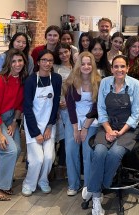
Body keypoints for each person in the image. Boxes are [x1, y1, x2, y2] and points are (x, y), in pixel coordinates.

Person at [83, 55, 139, 215]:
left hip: (128, 128)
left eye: (122, 66)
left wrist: (120, 132)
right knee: (99, 151)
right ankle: (96, 199)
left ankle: (95, 189)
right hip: (107, 126)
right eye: (116, 66)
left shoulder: (135, 85)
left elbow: (136, 114)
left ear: (127, 68)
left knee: (115, 153)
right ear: (112, 68)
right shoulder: (105, 83)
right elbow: (101, 110)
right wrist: (108, 130)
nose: (119, 70)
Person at [0, 49, 27, 201]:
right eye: (13, 61)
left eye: (20, 61)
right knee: (9, 151)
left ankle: (4, 184)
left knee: (18, 149)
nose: (17, 64)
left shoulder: (21, 79)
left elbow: (20, 105)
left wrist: (14, 123)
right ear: (8, 63)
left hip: (9, 119)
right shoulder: (0, 80)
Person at [22, 50, 62, 196]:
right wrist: (36, 132)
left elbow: (55, 104)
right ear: (38, 62)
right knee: (37, 159)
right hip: (33, 124)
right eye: (44, 60)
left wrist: (49, 126)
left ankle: (43, 181)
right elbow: (27, 108)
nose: (47, 63)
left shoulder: (56, 79)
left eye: (50, 60)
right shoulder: (31, 80)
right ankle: (29, 183)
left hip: (49, 125)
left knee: (49, 157)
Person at [64, 51, 101, 196]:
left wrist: (85, 128)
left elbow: (96, 107)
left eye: (89, 64)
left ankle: (88, 185)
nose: (86, 66)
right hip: (73, 120)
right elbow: (70, 107)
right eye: (83, 63)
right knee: (71, 151)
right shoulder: (71, 81)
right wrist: (75, 128)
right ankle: (73, 184)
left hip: (91, 121)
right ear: (78, 65)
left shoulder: (99, 82)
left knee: (88, 153)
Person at [53, 43, 75, 181]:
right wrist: (57, 103)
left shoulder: (76, 68)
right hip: (56, 105)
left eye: (66, 52)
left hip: (71, 105)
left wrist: (69, 102)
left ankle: (63, 166)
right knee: (56, 137)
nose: (64, 55)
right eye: (60, 53)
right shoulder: (55, 69)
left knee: (68, 137)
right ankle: (51, 168)